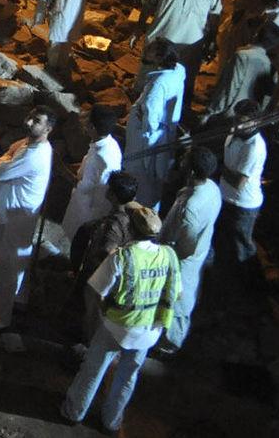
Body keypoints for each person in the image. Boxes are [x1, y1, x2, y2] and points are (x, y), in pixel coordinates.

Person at [62, 203, 180, 431]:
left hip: (118, 326)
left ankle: (73, 411)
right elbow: (174, 291)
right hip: (149, 331)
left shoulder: (123, 257)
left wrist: (97, 316)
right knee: (128, 377)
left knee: (92, 370)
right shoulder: (168, 256)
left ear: (132, 230)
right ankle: (112, 421)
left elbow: (96, 289)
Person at [0, 107, 53, 333]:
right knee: (15, 264)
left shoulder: (33, 155)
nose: (30, 122)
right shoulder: (28, 144)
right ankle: (16, 302)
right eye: (30, 116)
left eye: (37, 121)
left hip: (13, 219)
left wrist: (5, 160)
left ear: (49, 128)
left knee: (2, 268)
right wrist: (7, 158)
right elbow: (8, 155)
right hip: (16, 216)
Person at [140, 0, 221, 113]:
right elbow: (148, 5)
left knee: (183, 84)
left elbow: (215, 13)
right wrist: (138, 28)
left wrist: (211, 39)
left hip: (189, 49)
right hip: (160, 45)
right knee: (150, 84)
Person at [69, 171, 141, 341]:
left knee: (92, 315)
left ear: (112, 195)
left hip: (102, 277)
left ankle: (85, 346)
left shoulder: (112, 225)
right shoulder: (137, 218)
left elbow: (107, 252)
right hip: (123, 279)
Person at [160, 146, 220, 352]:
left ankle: (170, 344)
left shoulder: (191, 207)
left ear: (192, 171)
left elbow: (184, 245)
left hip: (183, 260)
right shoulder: (212, 187)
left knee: (177, 302)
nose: (181, 162)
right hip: (197, 253)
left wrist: (164, 252)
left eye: (185, 160)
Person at [126, 42, 186, 207]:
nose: (145, 53)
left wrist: (143, 118)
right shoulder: (179, 71)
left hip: (146, 139)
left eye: (150, 51)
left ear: (160, 57)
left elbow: (151, 118)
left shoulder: (158, 85)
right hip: (165, 132)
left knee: (143, 177)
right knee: (156, 177)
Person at [61, 103, 126, 246]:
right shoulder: (109, 143)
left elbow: (84, 186)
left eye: (87, 121)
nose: (83, 123)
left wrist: (60, 168)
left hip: (88, 210)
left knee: (78, 242)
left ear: (92, 128)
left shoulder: (101, 157)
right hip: (90, 205)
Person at [217, 98, 267, 268]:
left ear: (256, 122)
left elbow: (238, 182)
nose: (238, 125)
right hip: (225, 197)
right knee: (224, 245)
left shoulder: (254, 147)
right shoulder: (235, 132)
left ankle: (250, 281)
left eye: (243, 122)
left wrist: (218, 168)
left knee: (241, 249)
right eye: (236, 120)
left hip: (243, 206)